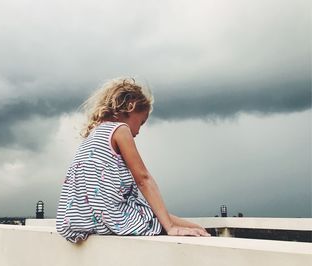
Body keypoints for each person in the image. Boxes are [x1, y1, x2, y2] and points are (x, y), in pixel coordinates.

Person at [56, 77, 211, 243]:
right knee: (195, 229)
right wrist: (171, 228)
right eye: (141, 122)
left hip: (84, 220)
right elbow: (143, 179)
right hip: (115, 218)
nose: (138, 130)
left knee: (174, 220)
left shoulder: (93, 135)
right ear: (130, 107)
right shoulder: (120, 130)